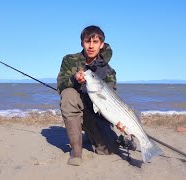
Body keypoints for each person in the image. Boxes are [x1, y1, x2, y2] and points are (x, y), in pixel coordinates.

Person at [57, 25, 135, 166]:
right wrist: (74, 79)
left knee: (108, 150)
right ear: (82, 43)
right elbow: (60, 85)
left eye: (95, 42)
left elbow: (111, 102)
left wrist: (119, 121)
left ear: (101, 45)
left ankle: (107, 137)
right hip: (75, 105)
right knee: (68, 95)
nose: (91, 46)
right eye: (88, 41)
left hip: (95, 113)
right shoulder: (69, 60)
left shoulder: (109, 72)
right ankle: (76, 150)